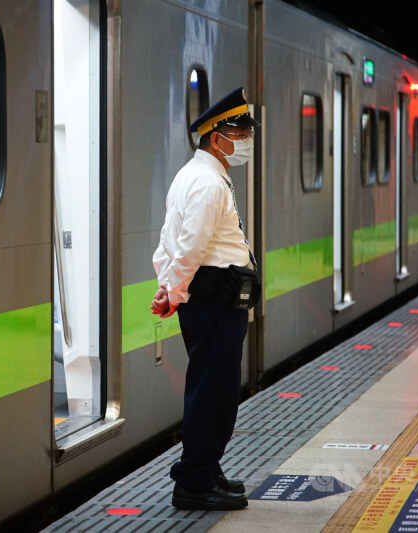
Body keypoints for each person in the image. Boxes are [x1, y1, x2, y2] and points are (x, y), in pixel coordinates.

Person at [151, 87, 260, 511]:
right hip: (214, 301)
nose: (246, 140)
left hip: (211, 299)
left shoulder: (192, 175)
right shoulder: (209, 183)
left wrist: (168, 286)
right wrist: (173, 292)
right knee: (214, 392)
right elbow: (190, 247)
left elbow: (168, 240)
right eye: (240, 133)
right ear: (217, 138)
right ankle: (194, 482)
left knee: (211, 388)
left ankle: (207, 468)